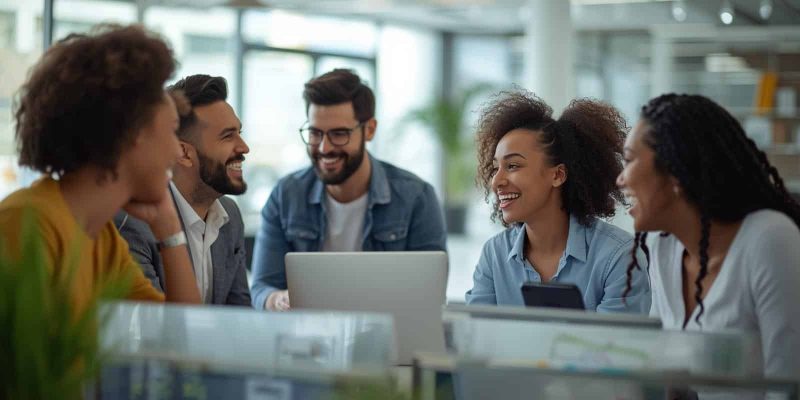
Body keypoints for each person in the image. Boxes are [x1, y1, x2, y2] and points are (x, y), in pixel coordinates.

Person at [0, 25, 201, 310]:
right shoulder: (26, 224)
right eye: (171, 130)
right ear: (130, 130)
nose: (175, 149)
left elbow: (183, 337)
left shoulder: (102, 238)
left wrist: (168, 227)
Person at [618, 94, 800, 383]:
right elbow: (661, 372)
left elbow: (788, 386)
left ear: (675, 172)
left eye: (628, 161)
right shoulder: (662, 246)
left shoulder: (770, 239)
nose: (621, 178)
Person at [250, 69, 447, 311]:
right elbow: (261, 288)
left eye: (339, 134)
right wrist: (278, 299)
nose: (324, 147)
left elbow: (430, 296)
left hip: (384, 339)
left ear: (370, 129)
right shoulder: (286, 196)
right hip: (304, 339)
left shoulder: (416, 198)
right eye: (315, 133)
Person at [466, 90, 650, 313]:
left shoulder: (619, 256)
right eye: (496, 168)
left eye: (513, 166)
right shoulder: (494, 253)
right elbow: (474, 336)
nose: (497, 181)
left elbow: (614, 345)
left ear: (557, 175)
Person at [115, 75, 251, 306]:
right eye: (228, 136)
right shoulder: (135, 223)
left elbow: (239, 315)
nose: (244, 147)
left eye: (240, 132)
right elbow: (158, 328)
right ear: (184, 154)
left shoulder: (230, 214)